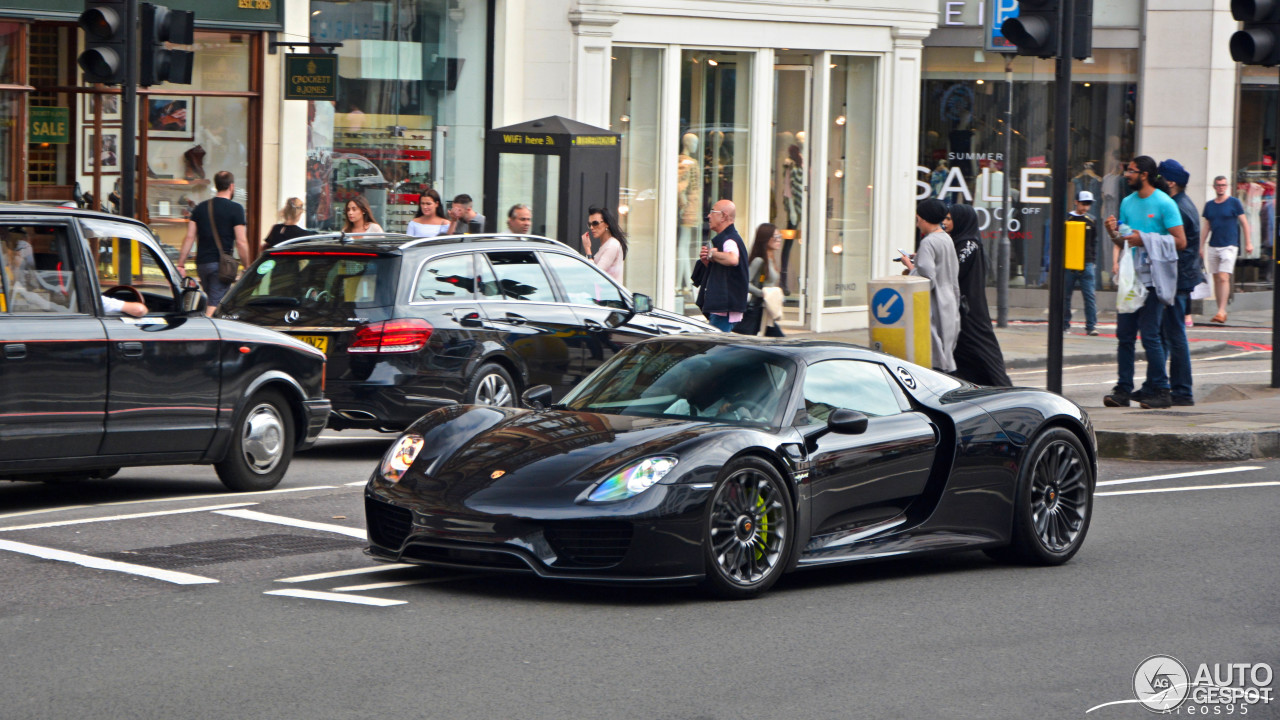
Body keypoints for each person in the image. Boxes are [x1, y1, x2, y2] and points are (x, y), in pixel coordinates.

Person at [1103, 156, 1187, 409]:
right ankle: (1123, 390)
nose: (1126, 174)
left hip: (1154, 278)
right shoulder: (1127, 202)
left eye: (1131, 171)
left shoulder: (1164, 203)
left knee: (1150, 335)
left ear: (1145, 175)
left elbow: (1181, 242)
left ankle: (1161, 390)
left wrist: (1146, 239)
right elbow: (1125, 241)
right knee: (1125, 335)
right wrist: (1113, 232)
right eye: (1127, 170)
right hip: (1132, 278)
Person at [944, 204, 1010, 386]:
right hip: (960, 310)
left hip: (970, 312)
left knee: (982, 351)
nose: (945, 222)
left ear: (961, 221)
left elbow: (954, 271)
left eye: (949, 219)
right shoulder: (958, 242)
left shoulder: (969, 244)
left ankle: (1002, 390)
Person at [1158, 158, 1202, 406]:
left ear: (1170, 182)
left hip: (1177, 280)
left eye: (1160, 178)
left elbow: (1177, 247)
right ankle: (1164, 385)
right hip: (1182, 278)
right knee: (1169, 334)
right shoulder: (1182, 203)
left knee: (1174, 335)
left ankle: (1182, 391)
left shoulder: (1178, 208)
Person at [176, 170, 249, 315]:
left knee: (212, 299)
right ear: (231, 186)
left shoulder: (200, 208)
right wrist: (247, 265)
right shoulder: (236, 209)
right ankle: (205, 333)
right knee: (215, 305)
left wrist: (181, 263)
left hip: (202, 264)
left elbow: (189, 237)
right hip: (221, 266)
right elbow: (241, 241)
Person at [901, 198, 960, 374]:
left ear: (924, 219)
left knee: (936, 359)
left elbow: (926, 277)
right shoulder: (946, 239)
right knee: (947, 355)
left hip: (935, 304)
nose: (917, 223)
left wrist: (910, 265)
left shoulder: (928, 242)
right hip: (949, 301)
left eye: (918, 219)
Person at [1201, 175, 1253, 323]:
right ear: (1214, 187)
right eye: (1218, 185)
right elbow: (1207, 226)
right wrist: (1201, 246)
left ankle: (1221, 310)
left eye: (1223, 185)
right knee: (1216, 278)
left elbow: (1244, 223)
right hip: (1213, 245)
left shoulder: (1234, 203)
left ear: (1227, 186)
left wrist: (1248, 242)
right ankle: (1220, 311)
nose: (1221, 187)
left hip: (1229, 245)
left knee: (1224, 277)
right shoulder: (1209, 205)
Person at [695, 199, 749, 332]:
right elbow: (727, 270)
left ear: (724, 216)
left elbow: (732, 259)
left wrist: (713, 254)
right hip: (723, 309)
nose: (708, 216)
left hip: (724, 311)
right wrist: (708, 263)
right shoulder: (725, 238)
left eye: (712, 212)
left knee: (716, 347)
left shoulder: (729, 239)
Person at [736, 223, 785, 337]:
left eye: (780, 236)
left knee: (774, 342)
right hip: (757, 309)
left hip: (766, 312)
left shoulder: (771, 260)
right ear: (766, 239)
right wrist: (763, 293)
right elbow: (744, 283)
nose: (779, 240)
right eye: (776, 237)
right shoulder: (759, 261)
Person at [1063, 190, 1099, 336]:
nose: (1085, 207)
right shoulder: (1067, 219)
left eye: (1088, 204)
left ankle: (1091, 326)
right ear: (1076, 202)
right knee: (1065, 296)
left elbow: (1094, 241)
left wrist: (1093, 260)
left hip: (1087, 262)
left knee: (1089, 295)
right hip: (1069, 262)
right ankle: (1064, 324)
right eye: (1083, 203)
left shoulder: (1091, 220)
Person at [580, 206, 627, 283]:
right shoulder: (606, 245)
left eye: (595, 223)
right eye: (590, 224)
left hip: (610, 294)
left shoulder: (612, 245)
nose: (591, 227)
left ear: (607, 224)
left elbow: (596, 274)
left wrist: (588, 250)